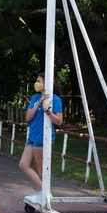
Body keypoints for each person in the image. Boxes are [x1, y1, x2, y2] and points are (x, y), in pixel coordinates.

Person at [19, 72, 63, 204]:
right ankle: (43, 191)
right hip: (32, 135)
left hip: (43, 137)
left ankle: (43, 193)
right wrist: (39, 102)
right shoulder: (34, 98)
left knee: (40, 167)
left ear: (46, 84)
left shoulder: (55, 99)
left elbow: (59, 121)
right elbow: (28, 117)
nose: (36, 83)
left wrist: (48, 112)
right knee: (23, 164)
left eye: (39, 81)